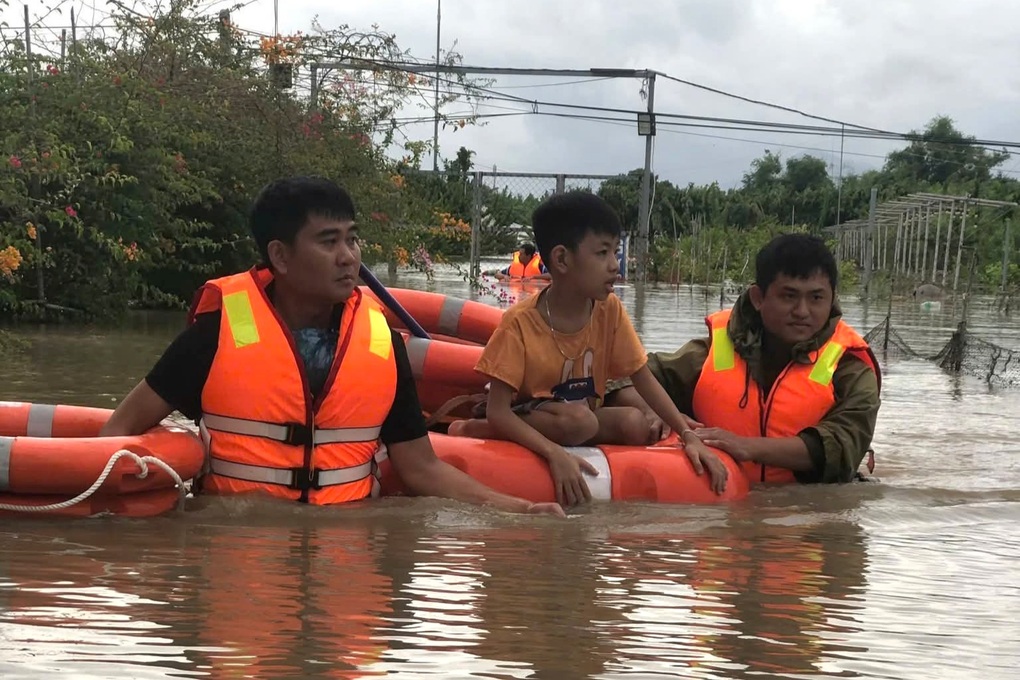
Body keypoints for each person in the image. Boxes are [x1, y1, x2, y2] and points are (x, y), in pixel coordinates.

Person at [99, 176, 564, 516]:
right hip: (235, 551)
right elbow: (121, 431)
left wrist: (517, 509)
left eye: (352, 238)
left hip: (346, 553)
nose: (349, 256)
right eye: (329, 241)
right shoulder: (215, 334)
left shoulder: (382, 342)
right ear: (280, 256)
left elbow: (421, 468)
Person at [448, 191, 728, 506]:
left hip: (581, 415)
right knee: (579, 422)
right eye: (602, 253)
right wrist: (553, 453)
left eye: (616, 252)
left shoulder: (608, 310)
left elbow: (642, 377)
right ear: (562, 259)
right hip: (528, 414)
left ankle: (574, 432)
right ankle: (472, 428)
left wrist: (686, 432)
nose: (615, 265)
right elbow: (499, 409)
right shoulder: (519, 324)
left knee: (636, 425)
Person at [605, 233, 881, 484]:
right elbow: (622, 377)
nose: (802, 311)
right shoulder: (712, 351)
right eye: (789, 296)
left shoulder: (850, 367)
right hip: (717, 499)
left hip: (809, 517)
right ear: (758, 298)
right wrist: (655, 413)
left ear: (832, 300)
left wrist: (745, 446)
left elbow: (842, 444)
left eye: (816, 298)